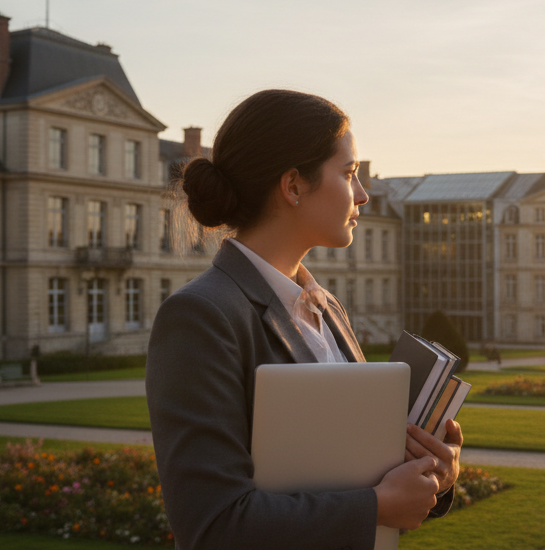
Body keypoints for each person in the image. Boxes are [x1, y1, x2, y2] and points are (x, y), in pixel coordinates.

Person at [146, 89, 462, 550]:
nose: (362, 194)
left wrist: (431, 472)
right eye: (349, 173)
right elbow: (211, 526)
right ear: (293, 185)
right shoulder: (200, 315)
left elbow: (353, 473)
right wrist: (376, 506)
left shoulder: (325, 306)